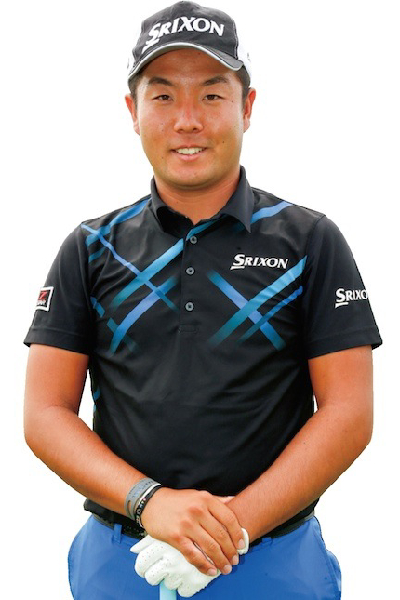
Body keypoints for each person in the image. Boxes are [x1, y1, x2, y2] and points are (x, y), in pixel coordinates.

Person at [23, 2, 382, 598]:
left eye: (212, 95)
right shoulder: (90, 248)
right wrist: (150, 502)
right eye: (163, 96)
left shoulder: (310, 241)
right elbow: (44, 414)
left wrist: (232, 529)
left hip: (270, 559)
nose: (187, 120)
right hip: (122, 559)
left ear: (247, 107)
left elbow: (348, 412)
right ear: (133, 111)